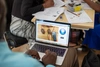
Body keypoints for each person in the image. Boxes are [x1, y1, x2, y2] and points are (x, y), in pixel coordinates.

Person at [0, 0, 57, 67]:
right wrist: (44, 6)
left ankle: (36, 53)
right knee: (45, 35)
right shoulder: (29, 64)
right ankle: (47, 56)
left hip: (22, 22)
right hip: (19, 24)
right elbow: (25, 11)